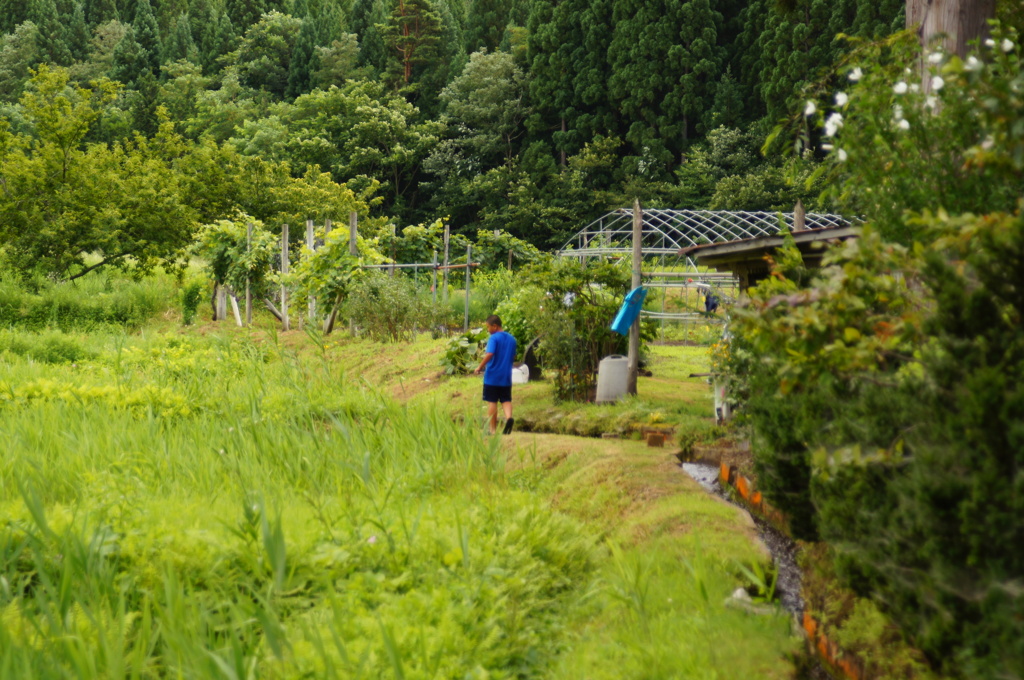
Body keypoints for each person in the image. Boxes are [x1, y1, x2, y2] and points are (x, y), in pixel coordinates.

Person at [474, 314, 517, 435]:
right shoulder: (512, 339)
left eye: (488, 327)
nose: (488, 330)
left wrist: (479, 366)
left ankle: (492, 430)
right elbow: (513, 356)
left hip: (493, 376)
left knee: (492, 401)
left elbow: (489, 354)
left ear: (495, 326)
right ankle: (509, 418)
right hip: (506, 376)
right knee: (506, 399)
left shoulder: (494, 338)